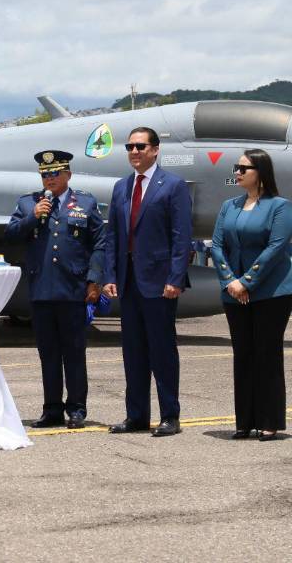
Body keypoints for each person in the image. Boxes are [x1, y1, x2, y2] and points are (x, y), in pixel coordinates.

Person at [4, 151, 105, 429]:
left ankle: (76, 408)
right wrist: (32, 218)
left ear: (68, 175)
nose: (49, 179)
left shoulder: (84, 202)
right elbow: (11, 234)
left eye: (55, 174)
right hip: (42, 289)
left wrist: (94, 279)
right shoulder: (29, 203)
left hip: (73, 289)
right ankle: (51, 409)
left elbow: (99, 242)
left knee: (73, 352)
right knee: (47, 353)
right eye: (45, 174)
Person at [103, 127, 192, 437]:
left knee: (162, 350)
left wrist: (175, 278)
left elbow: (182, 237)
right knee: (134, 352)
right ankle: (137, 416)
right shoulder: (121, 187)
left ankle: (171, 415)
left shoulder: (173, 186)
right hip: (128, 282)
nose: (134, 151)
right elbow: (113, 235)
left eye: (140, 146)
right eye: (130, 146)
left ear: (155, 150)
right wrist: (110, 275)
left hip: (159, 282)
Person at [210, 149, 292, 441]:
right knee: (242, 355)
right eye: (237, 167)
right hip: (234, 293)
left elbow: (276, 248)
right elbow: (217, 246)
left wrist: (247, 281)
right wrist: (231, 281)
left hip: (271, 293)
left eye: (245, 168)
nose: (238, 172)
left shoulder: (280, 207)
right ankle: (245, 421)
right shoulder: (228, 206)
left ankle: (269, 421)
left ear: (261, 172)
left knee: (267, 355)